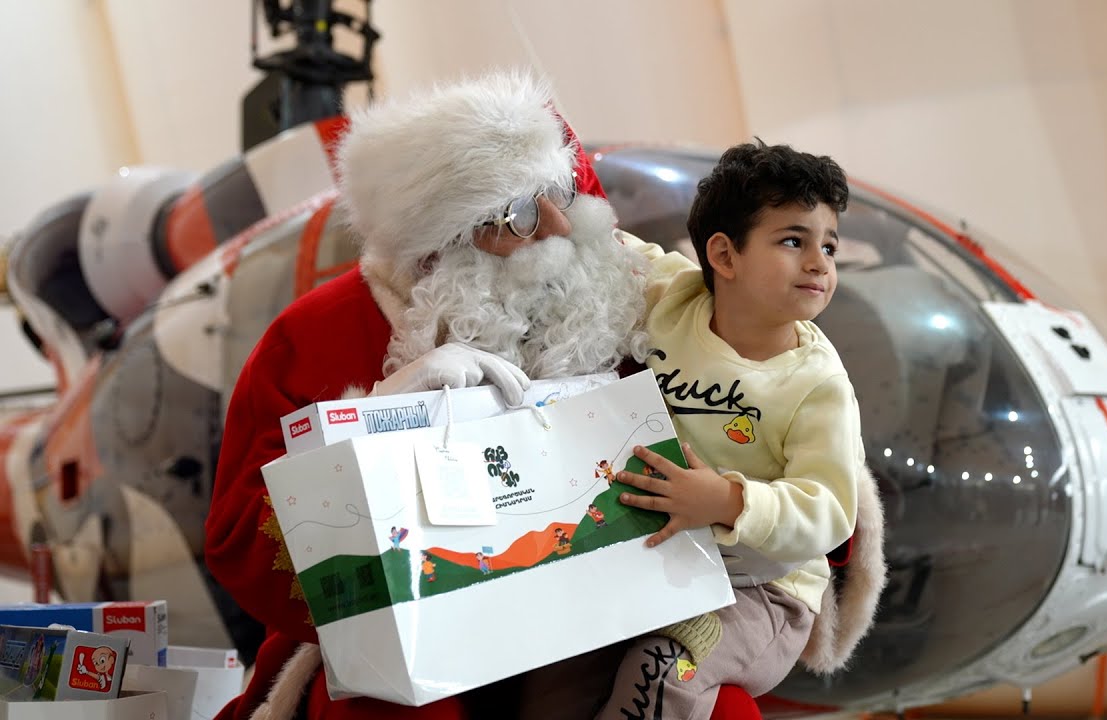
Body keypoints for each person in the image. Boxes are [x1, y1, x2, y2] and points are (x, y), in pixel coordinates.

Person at [204, 70, 762, 720]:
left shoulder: (635, 300)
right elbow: (243, 542)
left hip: (612, 627)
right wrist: (375, 418)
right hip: (422, 648)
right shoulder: (315, 336)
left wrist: (724, 494)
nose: (560, 225)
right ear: (440, 246)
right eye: (520, 214)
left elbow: (769, 424)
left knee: (718, 709)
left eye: (562, 191)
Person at [593, 140, 883, 719]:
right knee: (560, 676)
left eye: (828, 245)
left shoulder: (818, 385)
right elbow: (615, 250)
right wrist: (561, 220)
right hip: (660, 560)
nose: (820, 263)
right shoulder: (677, 299)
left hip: (763, 593)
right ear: (724, 256)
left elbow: (829, 511)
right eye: (794, 241)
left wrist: (728, 501)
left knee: (664, 668)